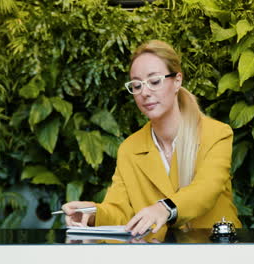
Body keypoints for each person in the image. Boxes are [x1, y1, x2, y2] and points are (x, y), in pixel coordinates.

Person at [62, 40, 242, 237]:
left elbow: (206, 190)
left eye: (154, 81)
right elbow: (121, 213)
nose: (145, 92)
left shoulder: (216, 133)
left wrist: (164, 208)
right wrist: (95, 213)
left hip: (216, 252)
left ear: (177, 81)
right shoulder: (129, 148)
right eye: (136, 85)